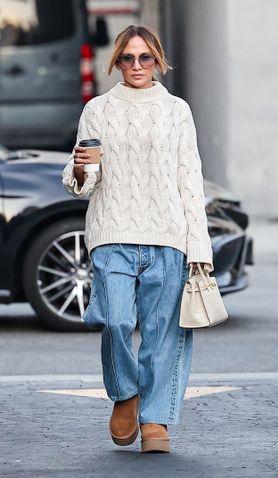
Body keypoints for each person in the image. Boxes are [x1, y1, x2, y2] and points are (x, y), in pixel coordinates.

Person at [62, 24, 214, 454]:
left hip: (169, 234)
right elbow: (83, 181)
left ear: (158, 60)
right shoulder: (97, 110)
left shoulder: (177, 111)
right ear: (116, 62)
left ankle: (155, 420)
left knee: (164, 333)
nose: (136, 66)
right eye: (127, 58)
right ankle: (126, 393)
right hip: (112, 232)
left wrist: (199, 248)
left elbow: (190, 180)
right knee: (115, 319)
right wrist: (78, 169)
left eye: (145, 57)